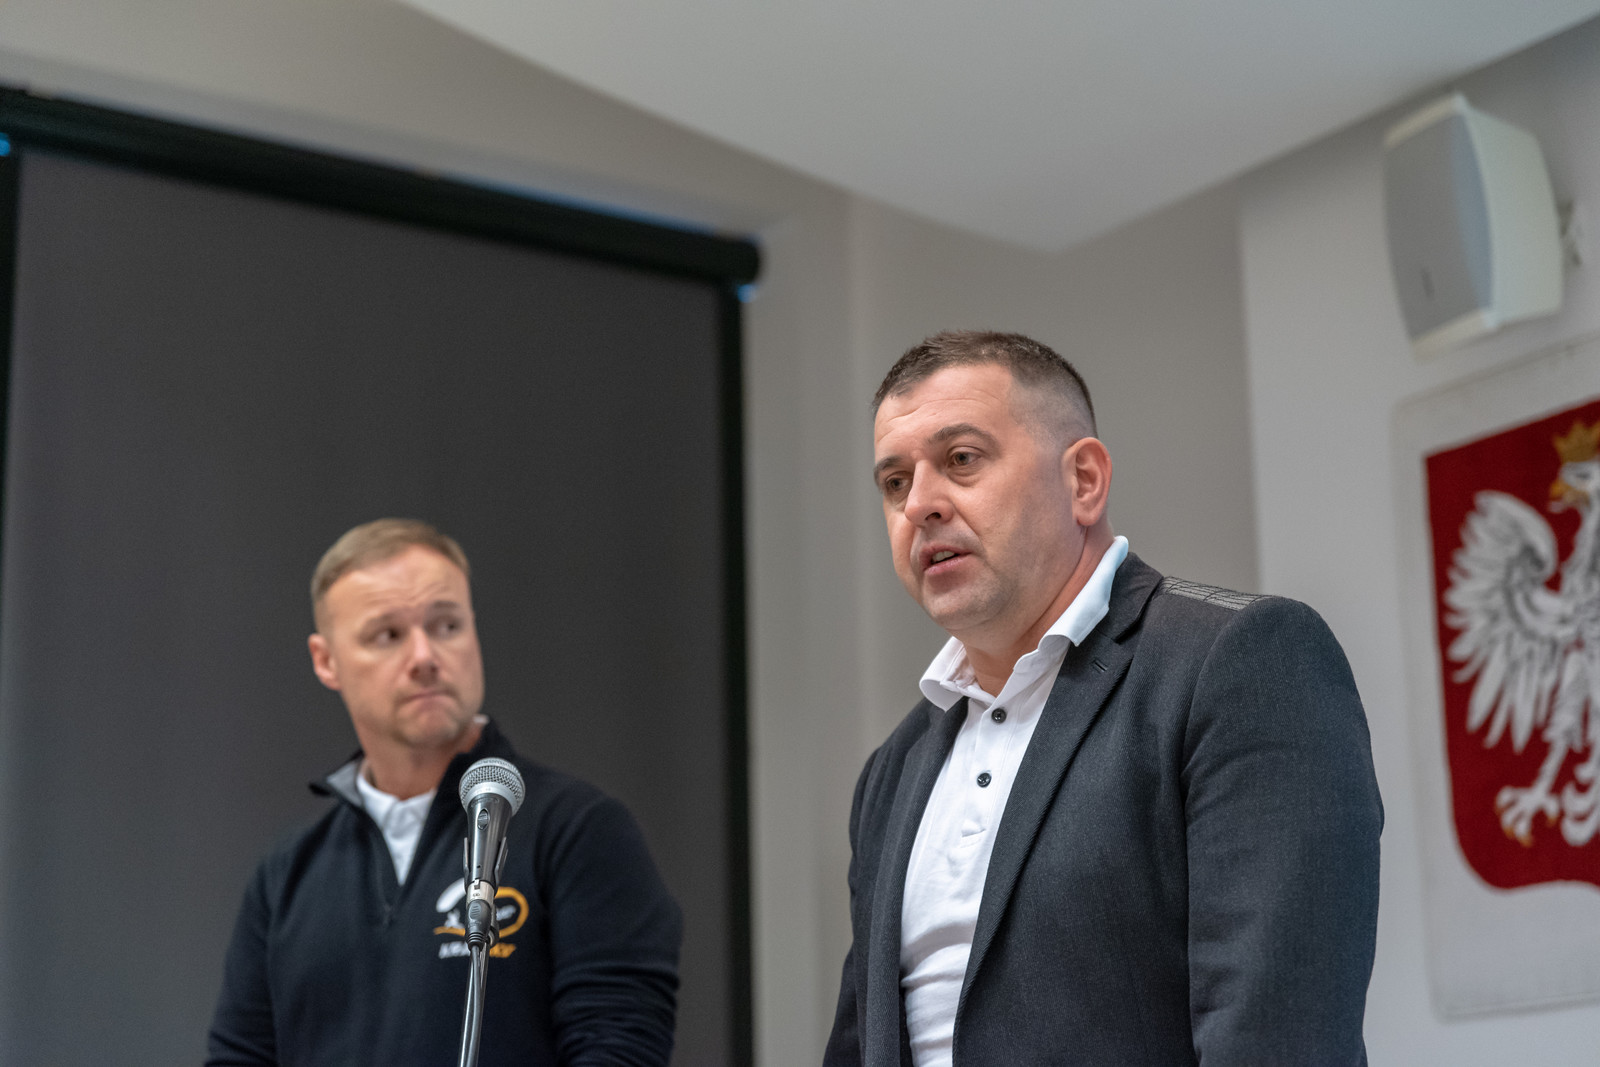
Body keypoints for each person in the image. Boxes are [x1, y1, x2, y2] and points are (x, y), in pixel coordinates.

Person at [824, 332, 1382, 1066]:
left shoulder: (1241, 661)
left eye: (961, 459)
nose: (920, 504)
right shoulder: (891, 771)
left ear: (1084, 480)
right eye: (895, 482)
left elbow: (1279, 1040)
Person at [207, 519, 681, 1066]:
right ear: (326, 661)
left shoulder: (576, 830)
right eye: (387, 635)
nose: (425, 656)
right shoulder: (288, 874)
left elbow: (618, 1049)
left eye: (447, 625)